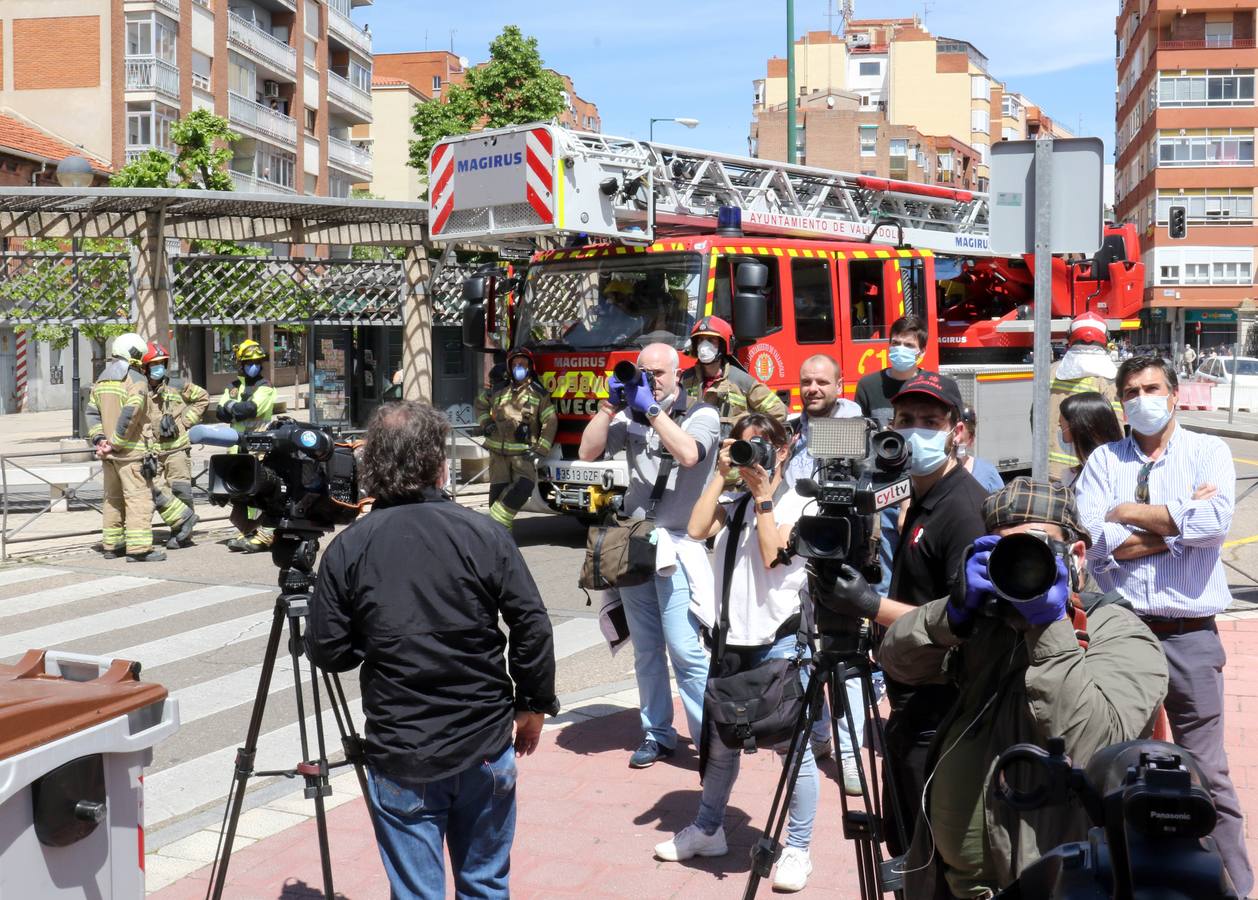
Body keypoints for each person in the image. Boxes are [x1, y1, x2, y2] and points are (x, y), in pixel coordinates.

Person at [307, 401, 557, 899]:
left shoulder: (349, 548)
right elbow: (531, 623)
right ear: (438, 464)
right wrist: (532, 705)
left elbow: (329, 653)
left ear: (372, 464)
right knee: (485, 884)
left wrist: (375, 635)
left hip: (403, 749)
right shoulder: (482, 532)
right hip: (483, 743)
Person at [877, 478, 1168, 898]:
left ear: (1077, 555)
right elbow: (897, 660)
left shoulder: (1119, 632)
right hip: (951, 880)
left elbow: (1093, 744)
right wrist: (954, 613)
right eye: (1003, 550)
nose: (1021, 561)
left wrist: (1048, 626)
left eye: (1036, 546)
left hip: (1043, 881)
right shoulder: (986, 623)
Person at [1074, 355, 1253, 896]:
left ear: (1175, 394)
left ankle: (1236, 886)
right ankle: (1124, 879)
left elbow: (1215, 521)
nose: (1140, 400)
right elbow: (1096, 542)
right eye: (1129, 392)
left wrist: (1125, 511)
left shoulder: (1209, 451)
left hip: (1190, 634)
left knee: (1209, 773)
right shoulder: (1105, 460)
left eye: (1151, 388)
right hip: (1122, 636)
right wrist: (1177, 525)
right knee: (1114, 767)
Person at [823, 370, 990, 857]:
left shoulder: (963, 508)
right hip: (911, 695)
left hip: (943, 707)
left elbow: (963, 617)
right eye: (906, 419)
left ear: (957, 431)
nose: (917, 430)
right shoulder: (917, 495)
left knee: (925, 847)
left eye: (930, 421)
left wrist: (871, 606)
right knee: (902, 831)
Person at [654, 413, 816, 892]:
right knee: (721, 744)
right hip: (732, 641)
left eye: (762, 446)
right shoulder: (736, 500)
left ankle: (799, 849)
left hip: (780, 640)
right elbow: (697, 527)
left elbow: (773, 553)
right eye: (745, 447)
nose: (754, 456)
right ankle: (708, 830)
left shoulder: (801, 502)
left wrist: (765, 495)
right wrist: (718, 474)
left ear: (783, 450)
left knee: (794, 750)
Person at [578, 342, 720, 768]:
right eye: (644, 372)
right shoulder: (628, 416)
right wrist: (608, 408)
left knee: (685, 649)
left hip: (676, 547)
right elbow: (587, 453)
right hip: (635, 544)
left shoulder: (701, 414)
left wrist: (653, 412)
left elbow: (690, 455)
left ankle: (709, 739)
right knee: (646, 649)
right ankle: (657, 733)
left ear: (679, 374)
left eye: (658, 373)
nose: (651, 380)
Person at [782, 353, 874, 794]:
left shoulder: (850, 424)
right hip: (802, 553)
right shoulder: (797, 424)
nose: (813, 388)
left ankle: (853, 758)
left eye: (822, 381)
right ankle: (820, 734)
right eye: (806, 381)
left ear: (841, 385)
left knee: (846, 663)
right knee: (807, 654)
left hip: (839, 558)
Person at [854, 315, 932, 600]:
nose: (899, 348)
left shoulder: (932, 387)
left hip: (923, 491)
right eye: (895, 343)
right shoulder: (868, 386)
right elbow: (859, 444)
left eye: (908, 345)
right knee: (882, 573)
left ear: (921, 351)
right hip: (881, 491)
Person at [86, 332, 167, 562]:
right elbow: (131, 415)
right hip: (130, 454)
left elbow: (92, 413)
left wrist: (100, 440)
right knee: (138, 499)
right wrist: (115, 444)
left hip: (109, 456)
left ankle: (112, 545)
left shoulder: (101, 379)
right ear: (134, 354)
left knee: (112, 498)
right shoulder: (136, 380)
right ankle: (139, 550)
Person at [478, 348, 557, 530]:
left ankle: (495, 525)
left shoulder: (539, 394)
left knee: (524, 488)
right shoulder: (498, 390)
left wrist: (540, 450)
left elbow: (550, 422)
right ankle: (500, 539)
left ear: (530, 367)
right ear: (509, 367)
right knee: (497, 494)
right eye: (514, 364)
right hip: (498, 455)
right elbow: (480, 405)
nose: (518, 367)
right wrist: (486, 424)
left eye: (522, 364)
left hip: (524, 455)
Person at [216, 339, 278, 552]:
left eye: (258, 362)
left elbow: (249, 410)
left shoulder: (266, 387)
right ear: (240, 364)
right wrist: (235, 407)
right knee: (239, 493)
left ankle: (257, 531)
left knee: (257, 492)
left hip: (257, 448)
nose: (254, 365)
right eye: (249, 361)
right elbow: (219, 412)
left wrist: (232, 407)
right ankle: (246, 529)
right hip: (236, 448)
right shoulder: (233, 387)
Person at [680, 316, 786, 437]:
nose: (704, 345)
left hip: (730, 451)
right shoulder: (685, 379)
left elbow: (778, 412)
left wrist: (752, 436)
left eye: (711, 340)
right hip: (694, 449)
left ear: (724, 345)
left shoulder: (741, 381)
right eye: (700, 340)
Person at [138, 342, 199, 549]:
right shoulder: (139, 390)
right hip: (153, 451)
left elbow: (202, 398)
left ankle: (182, 534)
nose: (159, 368)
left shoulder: (178, 384)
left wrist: (185, 422)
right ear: (144, 368)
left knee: (181, 490)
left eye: (161, 363)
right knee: (155, 491)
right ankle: (180, 521)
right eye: (154, 364)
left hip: (177, 449)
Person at [1047, 312, 1120, 484]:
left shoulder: (1051, 372)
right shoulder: (1109, 378)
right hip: (1093, 472)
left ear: (1070, 338)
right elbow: (1117, 428)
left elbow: (1035, 419)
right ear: (1105, 340)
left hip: (1052, 469)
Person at [1056, 391, 1123, 489]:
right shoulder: (1075, 475)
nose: (1062, 437)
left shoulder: (1103, 477)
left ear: (1080, 429)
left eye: (1062, 427)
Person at [955, 406, 1004, 493]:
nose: (955, 441)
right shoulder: (931, 472)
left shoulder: (987, 472)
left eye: (961, 440)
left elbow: (1000, 504)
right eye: (953, 434)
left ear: (971, 440)